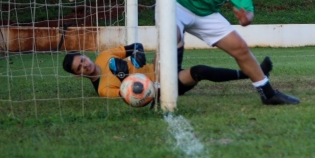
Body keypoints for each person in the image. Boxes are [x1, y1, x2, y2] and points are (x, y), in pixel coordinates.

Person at [62, 41, 273, 100]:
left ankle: (252, 73)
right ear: (77, 75)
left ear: (85, 55)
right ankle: (251, 74)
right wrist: (128, 76)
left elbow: (135, 46)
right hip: (162, 84)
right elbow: (135, 95)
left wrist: (138, 55)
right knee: (199, 70)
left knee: (171, 34)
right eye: (79, 68)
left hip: (160, 65)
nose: (84, 65)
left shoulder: (105, 55)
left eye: (82, 60)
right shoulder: (103, 88)